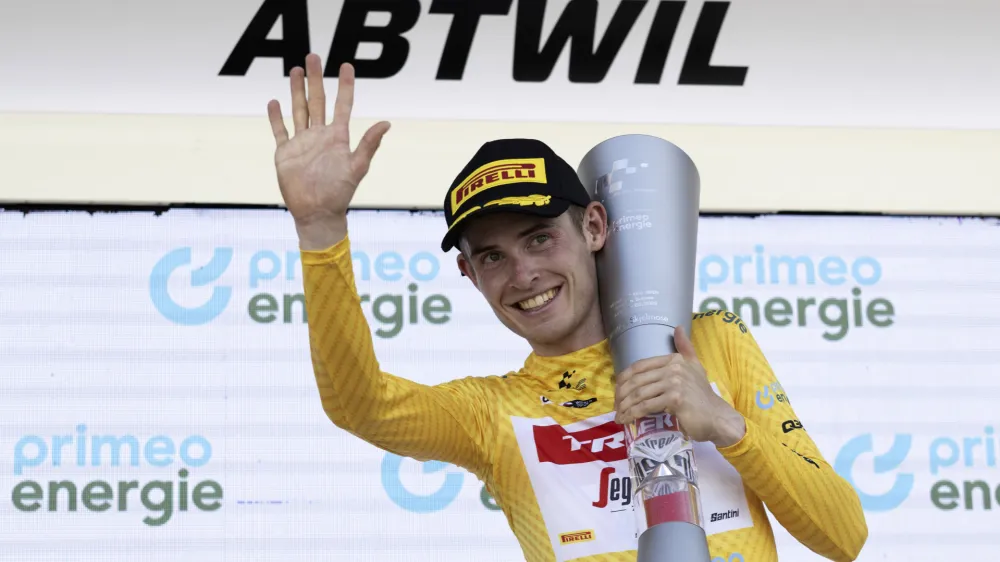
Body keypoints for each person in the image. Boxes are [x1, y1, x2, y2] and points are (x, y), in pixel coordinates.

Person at [266, 53, 869, 562]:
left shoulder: (708, 342)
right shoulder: (490, 413)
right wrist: (321, 231)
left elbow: (844, 536)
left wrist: (724, 423)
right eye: (493, 257)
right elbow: (360, 406)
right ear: (469, 275)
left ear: (595, 227)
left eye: (539, 237)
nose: (524, 273)